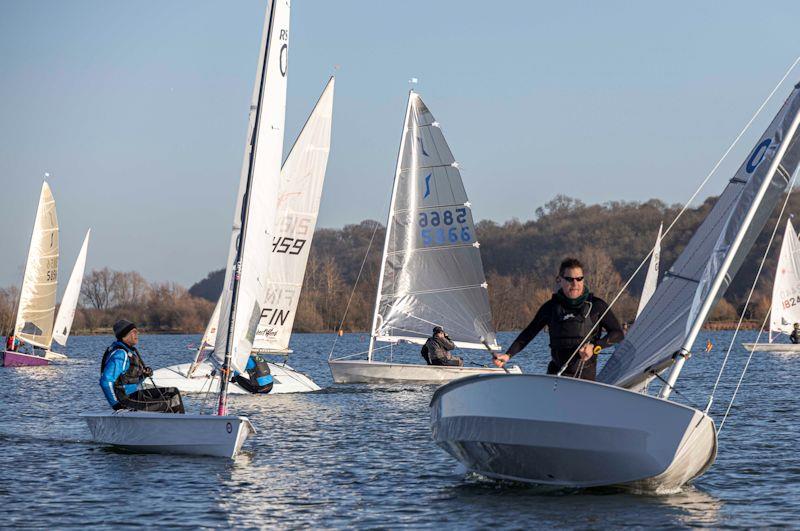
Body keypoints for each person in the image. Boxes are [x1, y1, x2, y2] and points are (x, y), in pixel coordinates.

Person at [492, 257, 624, 381]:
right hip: (556, 374)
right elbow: (529, 333)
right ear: (559, 280)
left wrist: (595, 346)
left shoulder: (597, 306)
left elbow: (618, 334)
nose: (575, 283)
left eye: (579, 279)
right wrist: (508, 355)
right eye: (569, 279)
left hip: (585, 378)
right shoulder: (550, 308)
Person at [99, 319, 184, 413]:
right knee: (172, 403)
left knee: (173, 392)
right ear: (124, 335)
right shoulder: (120, 354)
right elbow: (105, 381)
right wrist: (116, 405)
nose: (137, 334)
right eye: (133, 332)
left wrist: (144, 375)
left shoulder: (129, 352)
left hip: (134, 396)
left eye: (136, 331)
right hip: (125, 401)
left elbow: (129, 381)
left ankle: (179, 423)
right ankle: (180, 425)